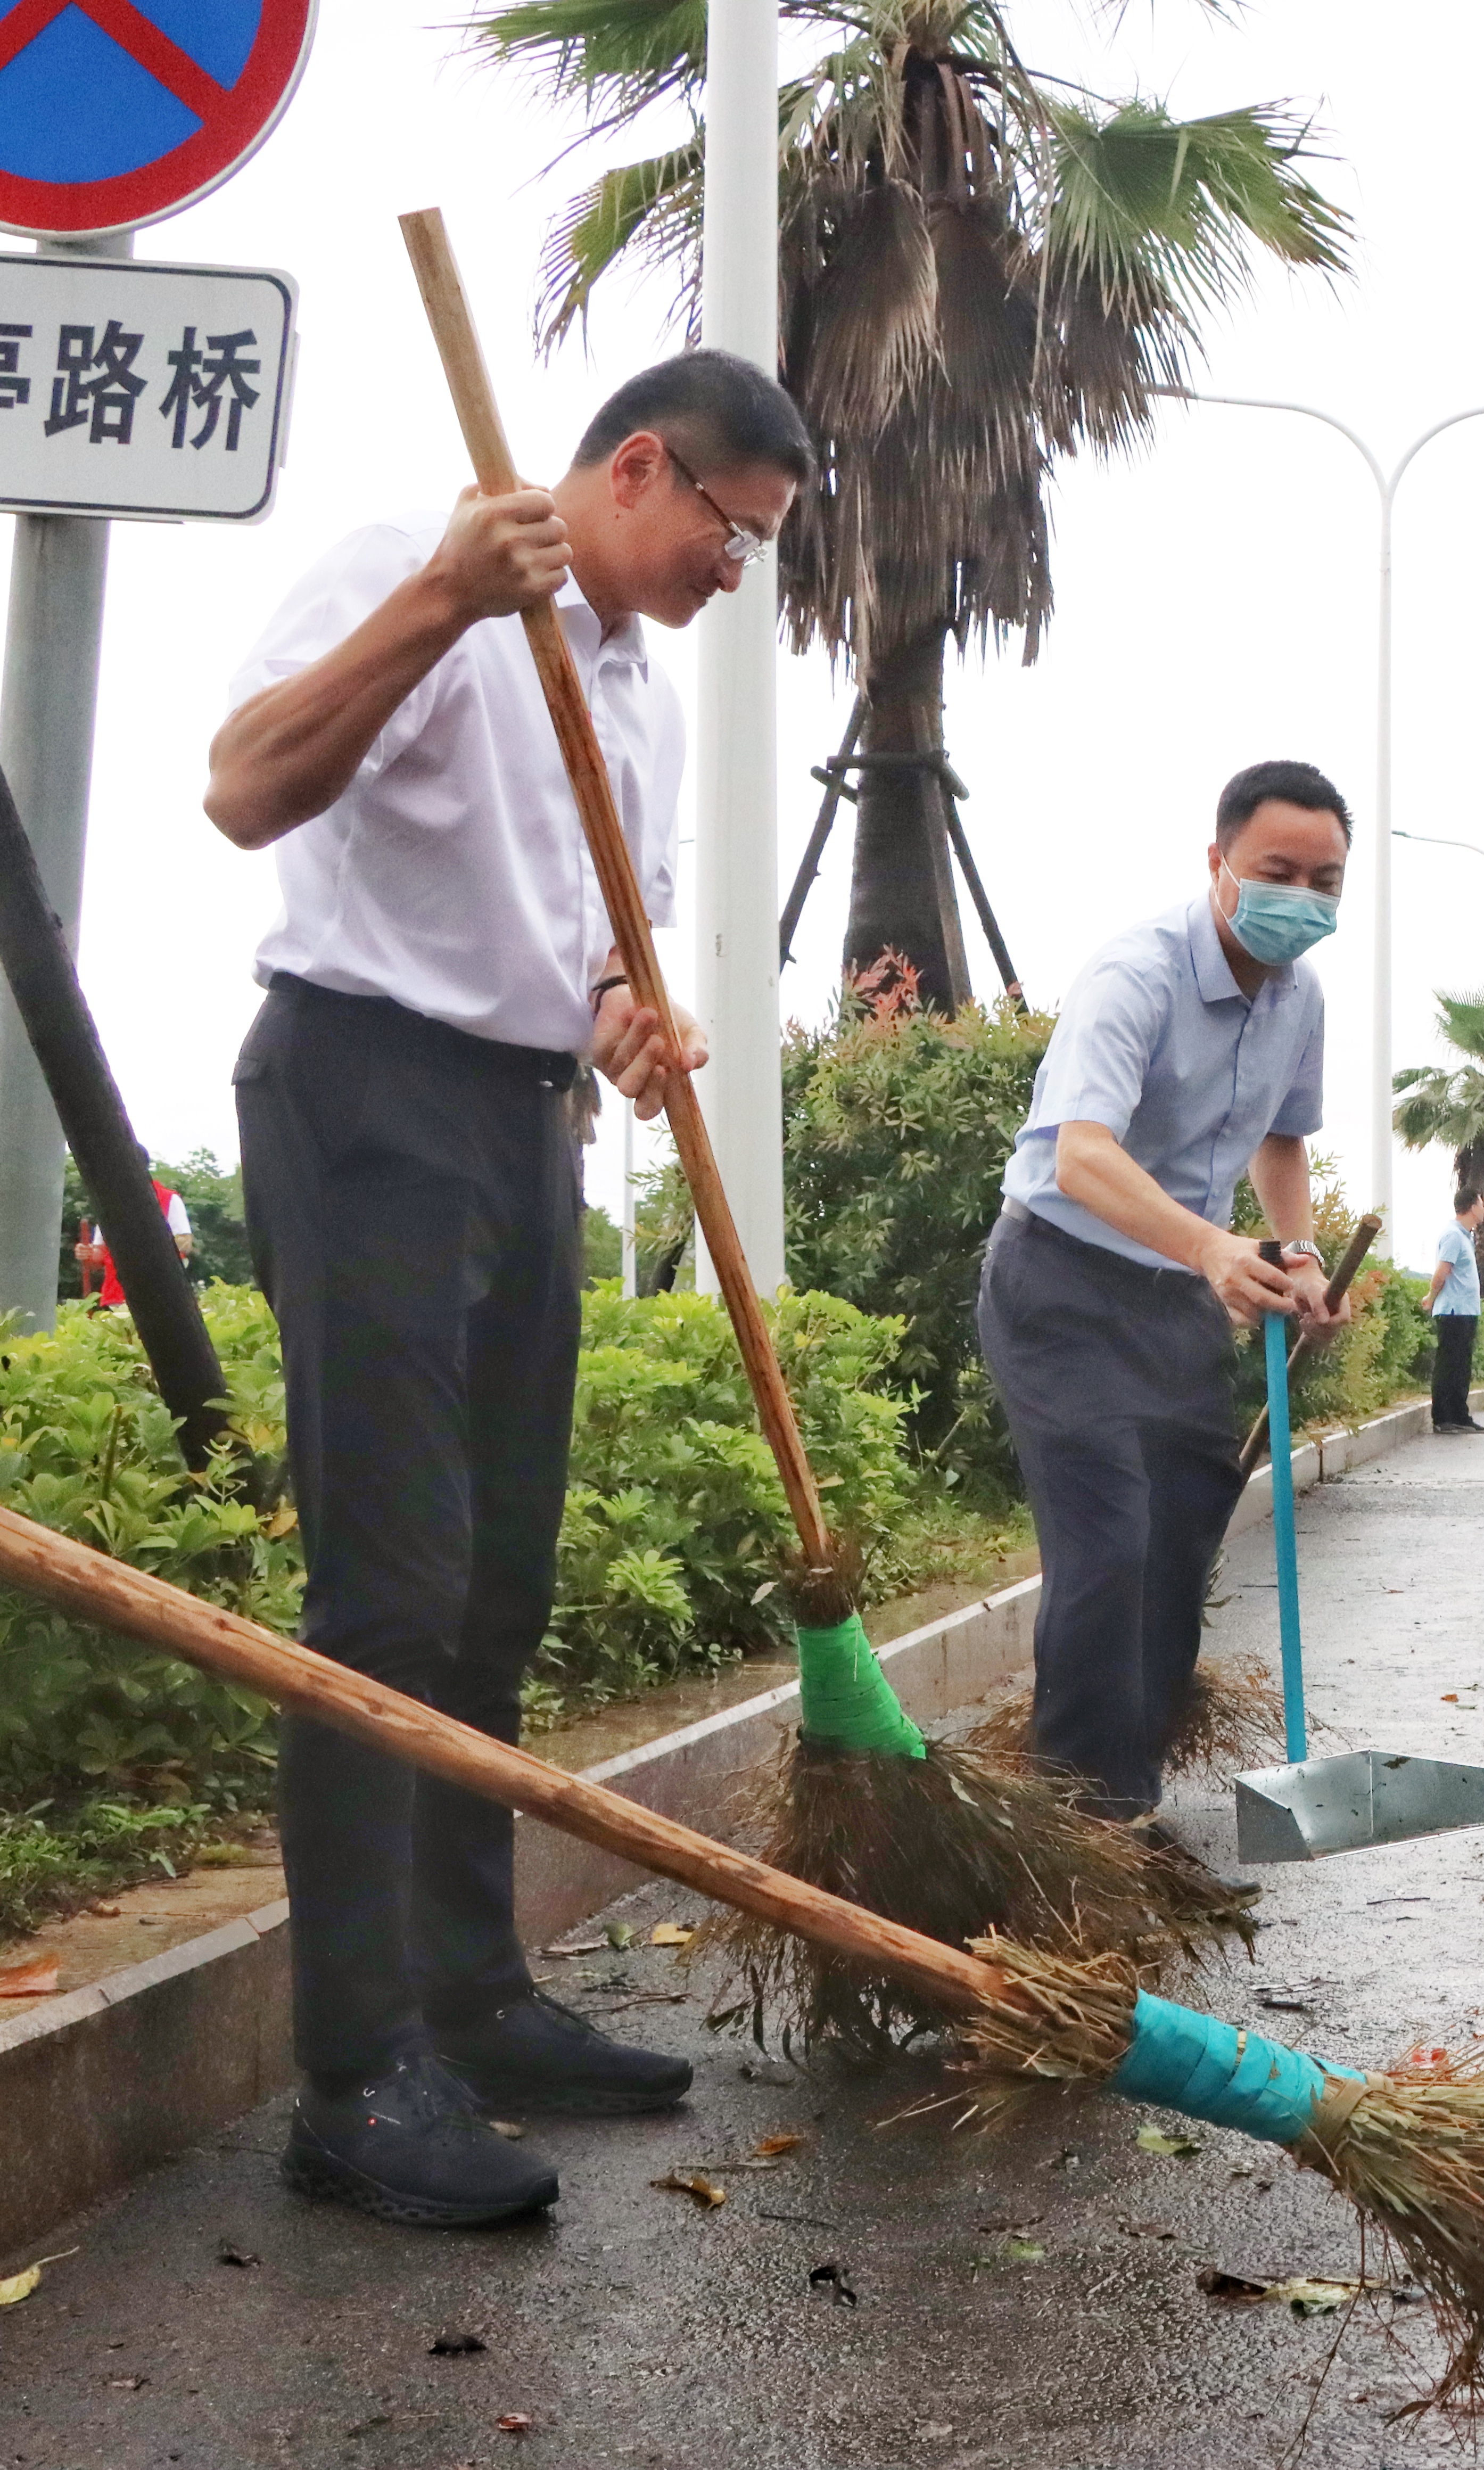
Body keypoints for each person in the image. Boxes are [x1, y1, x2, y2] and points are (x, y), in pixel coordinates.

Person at [202, 348, 798, 2226]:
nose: (736, 576)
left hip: (521, 1125)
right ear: (640, 470)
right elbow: (242, 792)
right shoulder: (415, 566)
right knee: (380, 1592)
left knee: (495, 1586)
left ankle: (469, 1999)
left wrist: (628, 1020)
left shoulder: (635, 695)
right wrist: (442, 602)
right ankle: (356, 2075)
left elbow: (586, 946)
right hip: (364, 1085)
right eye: (732, 534)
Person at [976, 760, 1348, 1833]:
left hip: (1177, 1297)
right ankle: (1078, 1819)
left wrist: (1299, 1252)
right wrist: (1208, 1247)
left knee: (1183, 1536)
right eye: (1277, 869)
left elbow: (1281, 1137)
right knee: (1107, 1541)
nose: (1301, 896)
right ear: (1217, 863)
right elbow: (1079, 1156)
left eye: (1325, 880)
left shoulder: (1300, 997)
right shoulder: (1134, 975)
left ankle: (1119, 1774)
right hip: (1058, 1282)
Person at [1428, 1188, 1484, 1436]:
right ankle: (1443, 1418)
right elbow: (1442, 1272)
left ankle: (1460, 1416)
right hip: (1453, 1311)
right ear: (1471, 1207)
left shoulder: (1465, 1236)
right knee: (1449, 1365)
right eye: (1481, 1204)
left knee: (1461, 1366)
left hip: (1466, 1311)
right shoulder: (1453, 1235)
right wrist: (1431, 1298)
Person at [73, 1178, 192, 1306]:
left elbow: (185, 1243)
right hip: (117, 1294)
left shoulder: (169, 1198)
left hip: (161, 1293)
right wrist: (88, 1253)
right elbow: (100, 1252)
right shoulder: (109, 1202)